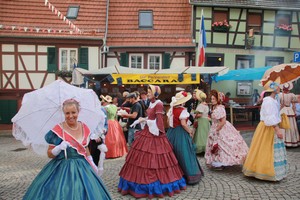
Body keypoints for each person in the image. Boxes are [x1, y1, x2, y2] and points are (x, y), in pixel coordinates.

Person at [23, 99, 111, 199]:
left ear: (78, 112)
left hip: (83, 167)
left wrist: (92, 162)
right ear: (63, 113)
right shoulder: (58, 130)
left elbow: (85, 147)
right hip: (62, 168)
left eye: (73, 112)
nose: (70, 116)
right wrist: (58, 148)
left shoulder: (84, 127)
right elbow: (49, 154)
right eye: (67, 113)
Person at [118, 85, 186, 199]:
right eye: (148, 91)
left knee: (157, 158)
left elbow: (159, 120)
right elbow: (151, 117)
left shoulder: (159, 103)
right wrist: (142, 119)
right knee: (140, 158)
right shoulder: (151, 103)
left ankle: (158, 185)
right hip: (147, 131)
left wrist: (160, 132)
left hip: (155, 133)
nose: (147, 93)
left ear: (155, 93)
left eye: (149, 91)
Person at [243, 78, 288, 181]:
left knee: (265, 149)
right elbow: (269, 117)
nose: (279, 88)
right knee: (265, 149)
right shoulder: (268, 101)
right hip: (268, 128)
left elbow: (272, 114)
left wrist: (279, 108)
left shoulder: (272, 100)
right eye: (277, 86)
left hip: (269, 126)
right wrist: (277, 130)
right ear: (273, 89)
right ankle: (263, 170)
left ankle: (270, 171)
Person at [166, 91, 204, 185]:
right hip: (180, 133)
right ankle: (188, 175)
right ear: (182, 102)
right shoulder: (182, 110)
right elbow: (183, 124)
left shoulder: (171, 109)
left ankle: (174, 174)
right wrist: (190, 131)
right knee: (184, 153)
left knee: (173, 153)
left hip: (171, 132)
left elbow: (168, 122)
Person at [205, 90, 248, 170]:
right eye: (211, 99)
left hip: (221, 128)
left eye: (214, 99)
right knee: (217, 146)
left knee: (223, 145)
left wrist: (216, 130)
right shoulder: (215, 107)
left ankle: (221, 162)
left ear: (218, 99)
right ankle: (217, 162)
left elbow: (223, 121)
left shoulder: (220, 108)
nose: (212, 100)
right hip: (215, 127)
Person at [278, 82, 299, 147]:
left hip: (283, 110)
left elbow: (278, 103)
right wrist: (294, 111)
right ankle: (292, 141)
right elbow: (294, 104)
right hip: (290, 110)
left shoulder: (280, 95)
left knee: (283, 125)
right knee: (291, 125)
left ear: (283, 88)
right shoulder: (292, 95)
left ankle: (284, 141)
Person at [193, 89, 210, 154]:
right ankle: (205, 148)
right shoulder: (206, 104)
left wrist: (195, 115)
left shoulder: (201, 105)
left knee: (200, 134)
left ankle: (201, 149)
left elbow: (200, 114)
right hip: (206, 120)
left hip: (202, 121)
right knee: (205, 134)